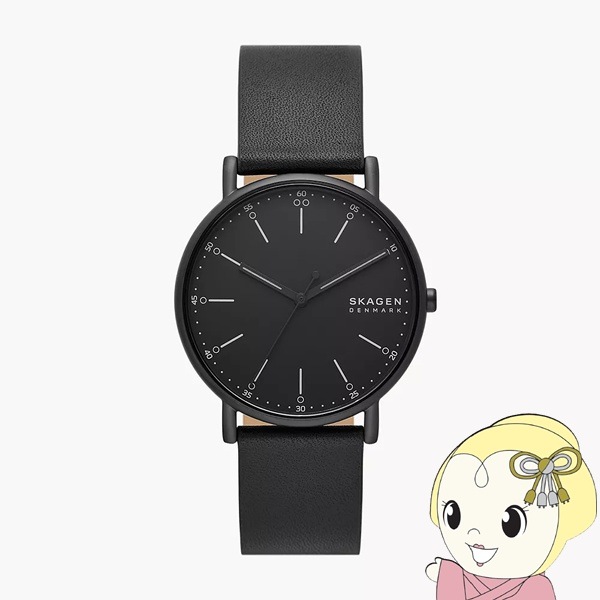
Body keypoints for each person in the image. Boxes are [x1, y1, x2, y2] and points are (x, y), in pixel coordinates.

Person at [426, 414, 596, 599]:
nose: (475, 533)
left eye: (511, 524)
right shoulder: (454, 577)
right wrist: (447, 574)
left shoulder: (536, 591)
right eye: (453, 516)